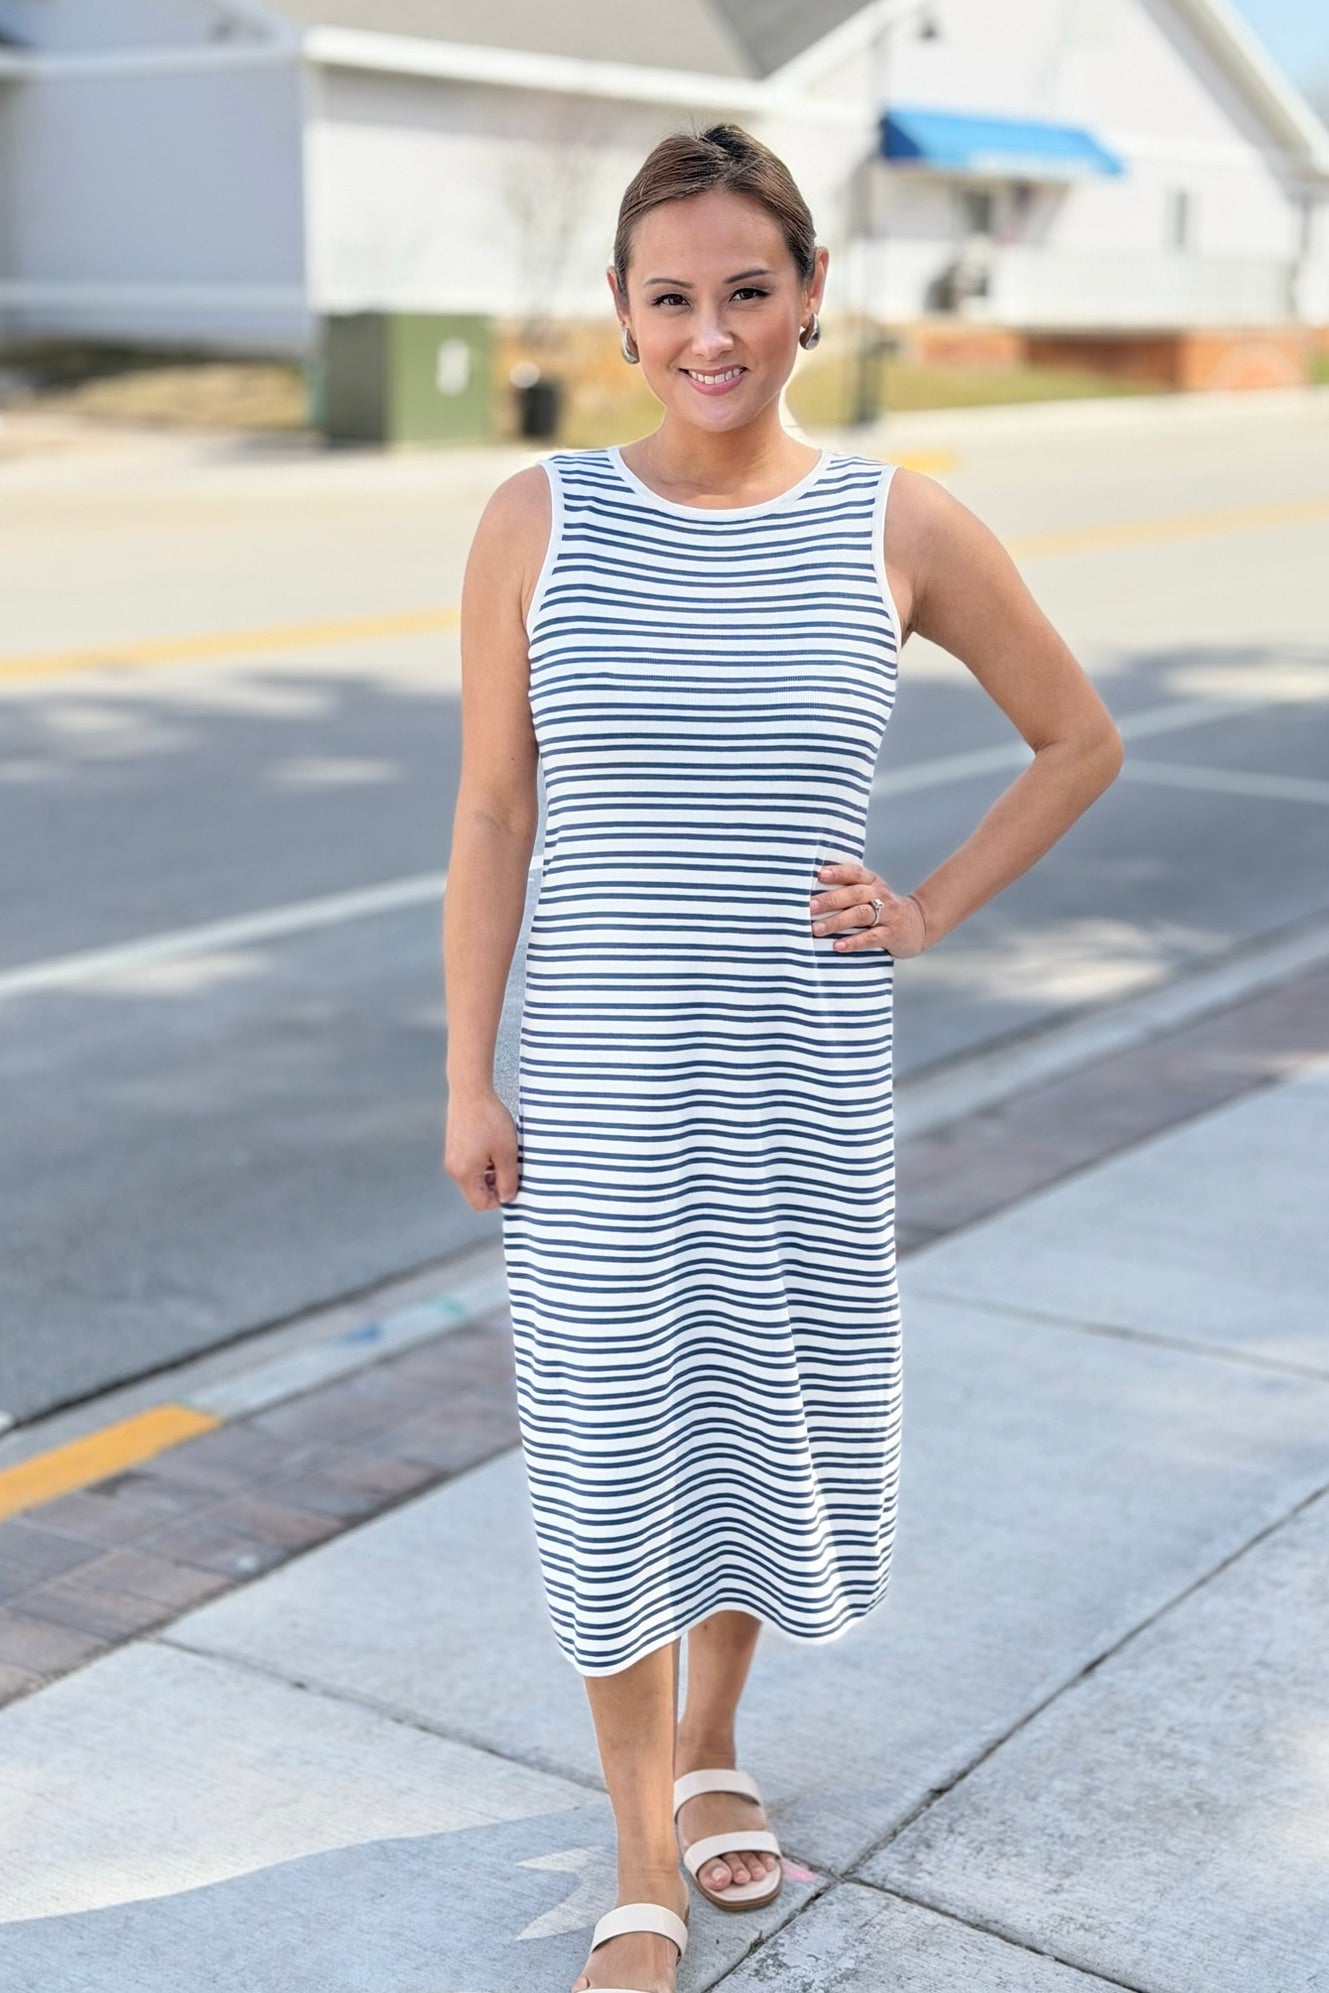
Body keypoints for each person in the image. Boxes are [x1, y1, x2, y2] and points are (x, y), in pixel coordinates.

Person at [443, 122, 1122, 1993]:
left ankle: (716, 1742)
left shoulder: (897, 523)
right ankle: (635, 1848)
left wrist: (927, 907)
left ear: (811, 293)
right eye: (671, 297)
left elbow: (1076, 738)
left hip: (794, 1076)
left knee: (761, 1412)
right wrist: (468, 1071)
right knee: (609, 1445)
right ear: (619, 309)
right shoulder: (535, 517)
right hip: (594, 1081)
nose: (710, 334)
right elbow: (492, 814)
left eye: (748, 290)